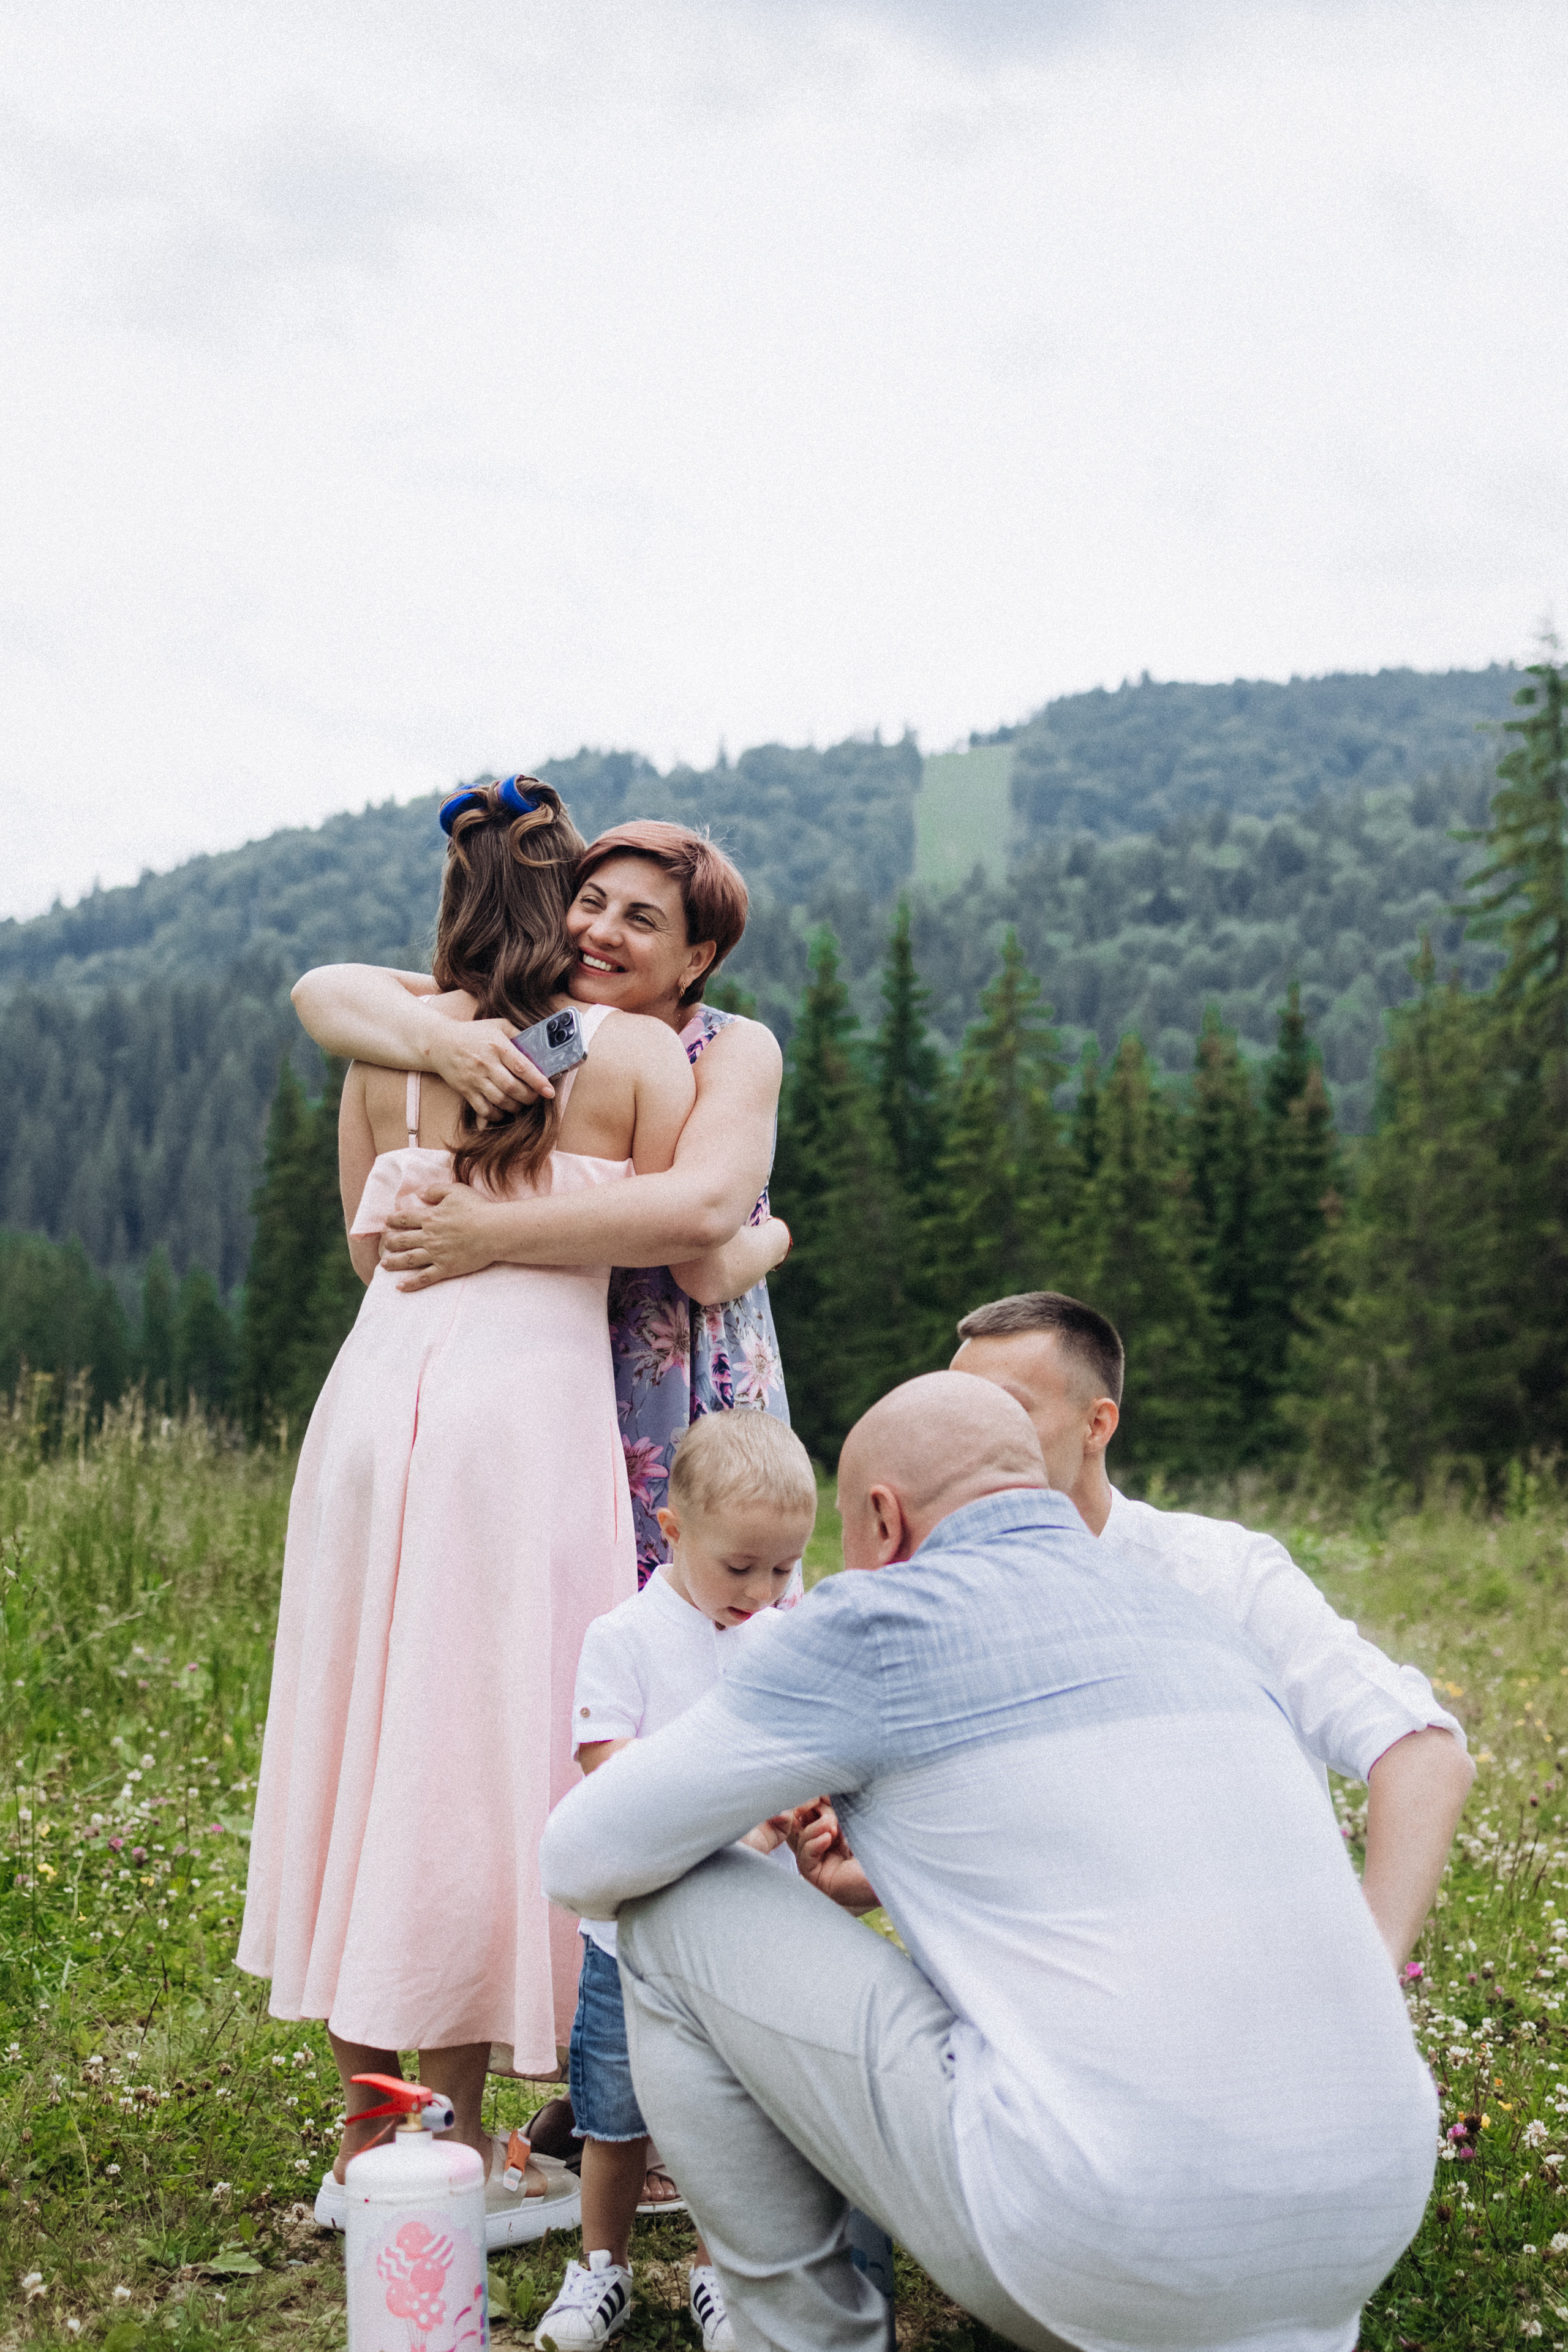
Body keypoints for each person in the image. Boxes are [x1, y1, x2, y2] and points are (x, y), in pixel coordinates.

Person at [540, 1373, 1439, 2352]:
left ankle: (807, 2339)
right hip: (1365, 2221)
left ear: (884, 1520)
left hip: (1098, 2238)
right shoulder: (1192, 1614)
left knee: (669, 1909)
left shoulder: (879, 1619)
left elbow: (584, 1857)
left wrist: (758, 1813)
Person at [238, 779, 715, 2247]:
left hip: (373, 1408)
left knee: (369, 1744)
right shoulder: (636, 1054)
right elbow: (689, 1246)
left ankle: (369, 2138)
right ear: (567, 913)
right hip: (518, 1434)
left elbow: (362, 1248)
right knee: (468, 1761)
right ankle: (465, 2153)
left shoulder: (388, 1055)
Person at [291, 818, 794, 1589]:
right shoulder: (527, 1023)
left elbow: (701, 1224)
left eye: (641, 920)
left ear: (697, 959)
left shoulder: (730, 1047)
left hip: (672, 1375)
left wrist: (775, 1238)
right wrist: (440, 1044)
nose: (601, 931)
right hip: (543, 1369)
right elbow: (324, 992)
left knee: (685, 1610)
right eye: (589, 902)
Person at [949, 1289, 1475, 1967]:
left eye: (1006, 1409)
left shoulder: (1222, 1576)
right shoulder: (947, 1604)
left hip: (1242, 1972)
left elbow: (1423, 1754)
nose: (971, 1435)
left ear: (1096, 1425)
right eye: (956, 1412)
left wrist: (1368, 1974)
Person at [533, 1411, 819, 2352]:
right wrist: (728, 1821)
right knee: (614, 2119)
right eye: (740, 1567)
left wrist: (802, 1805)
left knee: (735, 2118)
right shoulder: (625, 1637)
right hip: (633, 1940)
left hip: (747, 1938)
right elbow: (607, 1767)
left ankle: (718, 2273)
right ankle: (601, 2268)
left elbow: (807, 1750)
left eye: (784, 1569)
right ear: (672, 1530)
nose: (763, 1592)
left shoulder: (785, 1635)